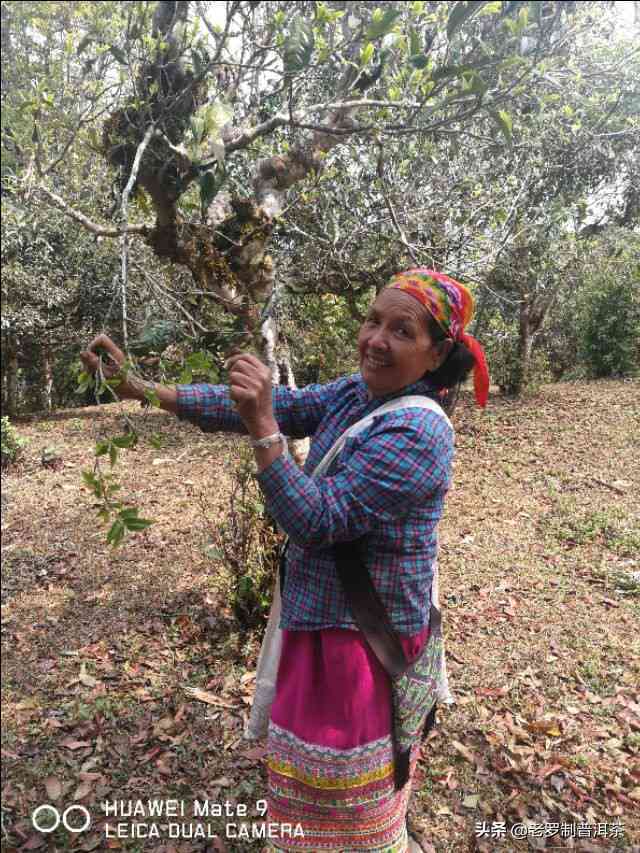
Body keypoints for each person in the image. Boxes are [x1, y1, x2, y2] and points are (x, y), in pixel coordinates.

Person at [81, 268, 489, 852]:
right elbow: (279, 404)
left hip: (360, 650)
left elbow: (318, 520)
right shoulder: (358, 393)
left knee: (351, 805)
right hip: (318, 628)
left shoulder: (420, 433)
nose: (376, 338)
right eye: (373, 319)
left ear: (437, 353)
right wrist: (141, 388)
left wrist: (264, 427)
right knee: (310, 797)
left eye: (401, 330)